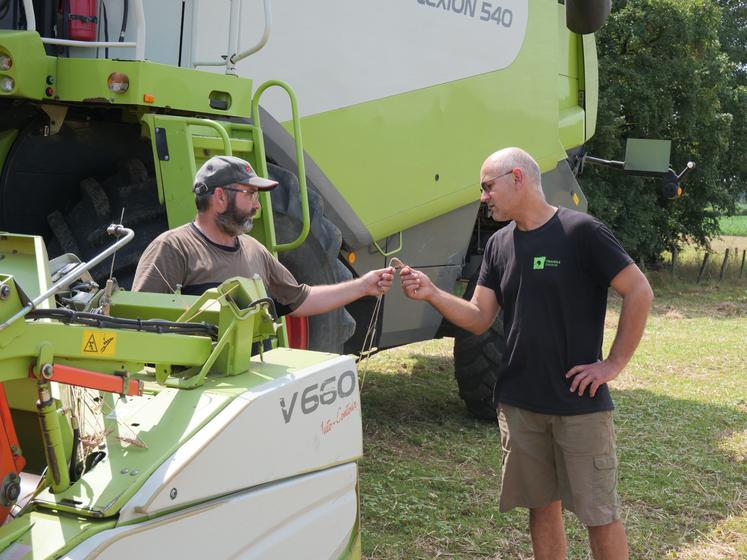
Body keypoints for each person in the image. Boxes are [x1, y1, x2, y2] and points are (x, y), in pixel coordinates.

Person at [399, 147, 653, 560]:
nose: (484, 197)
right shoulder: (499, 245)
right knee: (541, 506)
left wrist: (613, 364)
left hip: (579, 404)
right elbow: (480, 317)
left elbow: (639, 290)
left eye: (487, 186)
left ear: (517, 177)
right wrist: (432, 293)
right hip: (520, 403)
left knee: (599, 513)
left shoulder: (581, 232)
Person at [133, 155, 394, 320]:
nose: (257, 206)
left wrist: (363, 286)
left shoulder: (254, 249)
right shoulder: (173, 248)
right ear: (220, 197)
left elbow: (300, 300)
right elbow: (137, 320)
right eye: (250, 194)